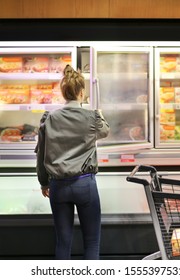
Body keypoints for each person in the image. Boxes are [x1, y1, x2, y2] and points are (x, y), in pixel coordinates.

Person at [35, 64, 110, 260]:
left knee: (63, 242)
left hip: (57, 185)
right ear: (82, 92)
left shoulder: (49, 118)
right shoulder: (90, 117)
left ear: (63, 92)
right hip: (85, 184)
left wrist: (43, 182)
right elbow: (105, 131)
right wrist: (98, 112)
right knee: (92, 241)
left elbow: (41, 153)